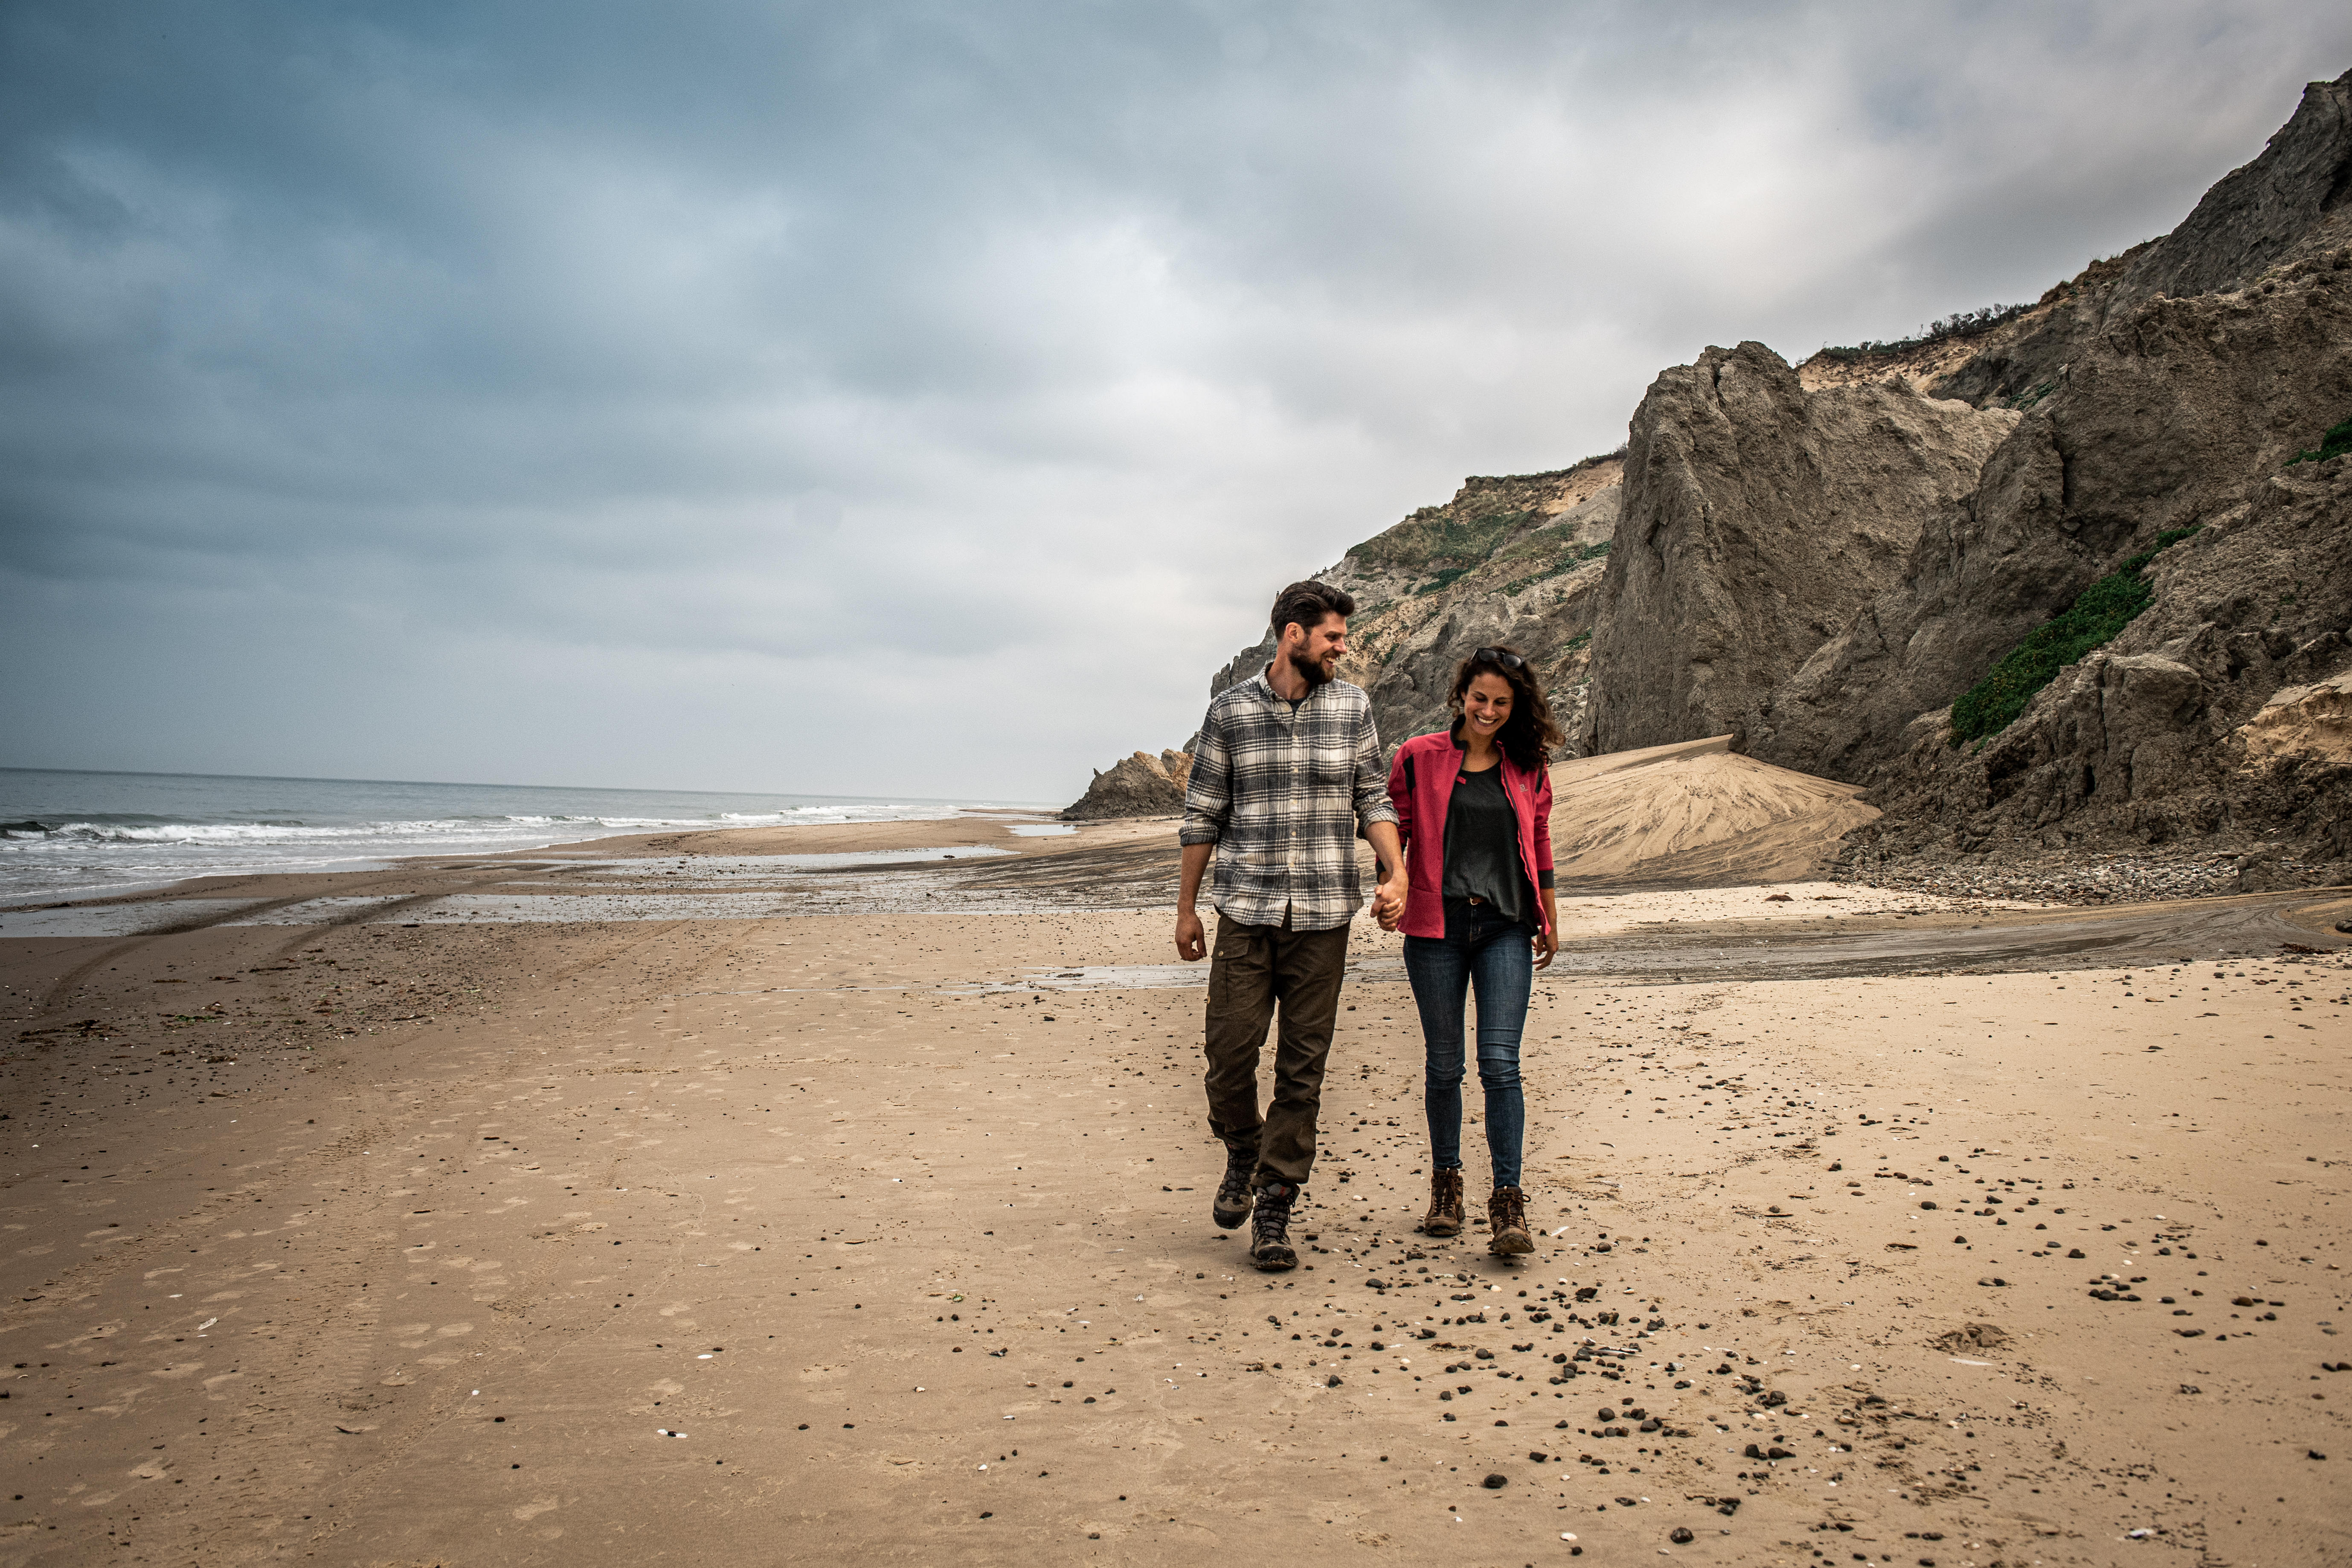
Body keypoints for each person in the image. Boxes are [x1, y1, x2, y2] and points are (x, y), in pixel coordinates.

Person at [1176, 579, 1406, 1271]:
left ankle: (1275, 1204)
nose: (1342, 647)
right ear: (1292, 635)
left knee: (1303, 1071)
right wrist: (1186, 909)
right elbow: (1203, 813)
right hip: (1244, 913)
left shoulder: (1352, 708)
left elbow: (1372, 795)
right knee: (1229, 1056)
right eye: (1332, 636)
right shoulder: (1230, 713)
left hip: (1322, 918)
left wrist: (1393, 873)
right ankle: (1243, 1147)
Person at [1379, 644, 1562, 1256]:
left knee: (1500, 1064)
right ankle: (1446, 1188)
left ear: (1516, 707)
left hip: (1506, 926)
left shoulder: (1526, 765)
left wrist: (1549, 919)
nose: (1488, 711)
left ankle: (1507, 1200)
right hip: (1437, 928)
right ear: (1461, 695)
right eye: (1479, 698)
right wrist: (1390, 887)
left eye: (1501, 703)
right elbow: (1392, 832)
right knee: (1443, 1065)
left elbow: (1538, 840)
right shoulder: (1417, 756)